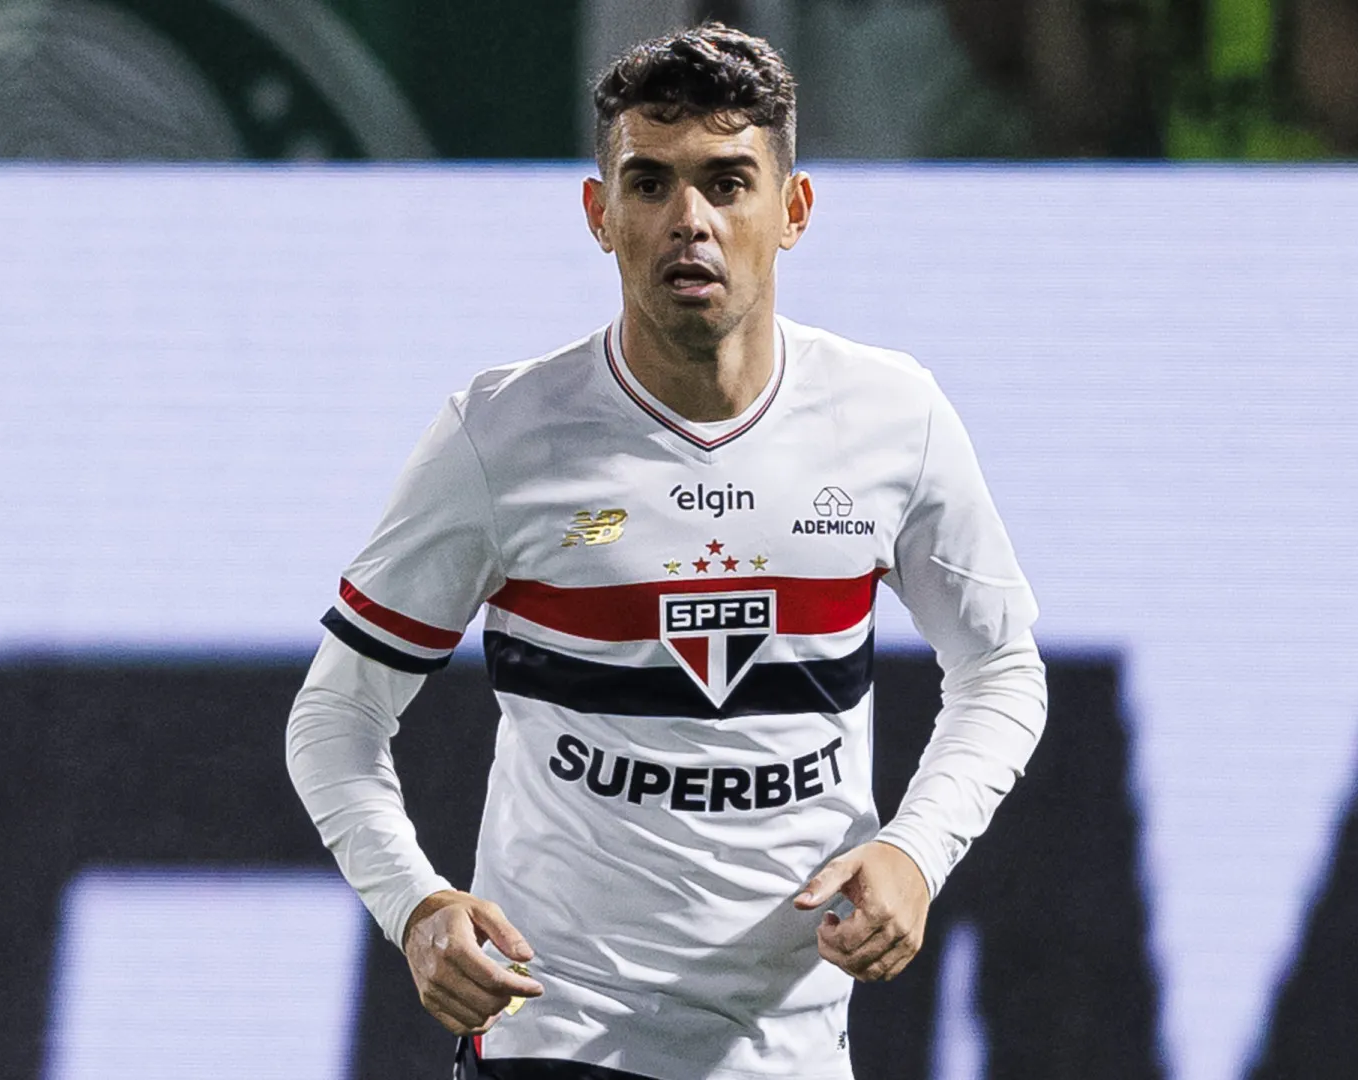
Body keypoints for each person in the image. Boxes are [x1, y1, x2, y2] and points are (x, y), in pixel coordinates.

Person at [286, 23, 1048, 1080]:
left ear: (794, 210)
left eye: (728, 182)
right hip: (557, 1033)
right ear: (600, 214)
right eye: (650, 184)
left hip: (788, 1049)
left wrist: (915, 854)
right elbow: (336, 716)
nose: (690, 219)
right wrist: (415, 906)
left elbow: (1001, 668)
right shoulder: (499, 436)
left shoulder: (892, 416)